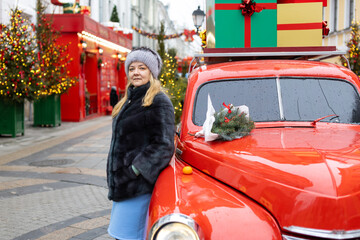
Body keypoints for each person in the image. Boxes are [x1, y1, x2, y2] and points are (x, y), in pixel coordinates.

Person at [106, 47, 175, 240]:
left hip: (137, 187)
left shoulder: (159, 101)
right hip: (123, 185)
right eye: (132, 68)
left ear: (151, 72)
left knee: (129, 236)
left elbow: (163, 145)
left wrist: (134, 170)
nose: (136, 72)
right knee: (123, 235)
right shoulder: (129, 99)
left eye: (142, 68)